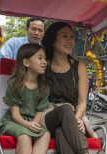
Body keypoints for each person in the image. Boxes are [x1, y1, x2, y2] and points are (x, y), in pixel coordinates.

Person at [41, 22, 89, 154]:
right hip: (47, 115)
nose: (70, 40)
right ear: (52, 41)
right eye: (64, 36)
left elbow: (82, 101)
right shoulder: (42, 66)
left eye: (72, 36)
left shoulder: (80, 67)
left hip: (70, 118)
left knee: (60, 133)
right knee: (65, 108)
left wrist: (77, 117)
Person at [0, 43, 50, 154]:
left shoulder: (44, 87)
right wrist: (27, 125)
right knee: (25, 136)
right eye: (40, 58)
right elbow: (15, 115)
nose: (44, 62)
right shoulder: (14, 84)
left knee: (45, 134)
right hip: (13, 121)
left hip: (34, 121)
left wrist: (33, 125)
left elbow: (39, 113)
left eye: (45, 58)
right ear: (26, 62)